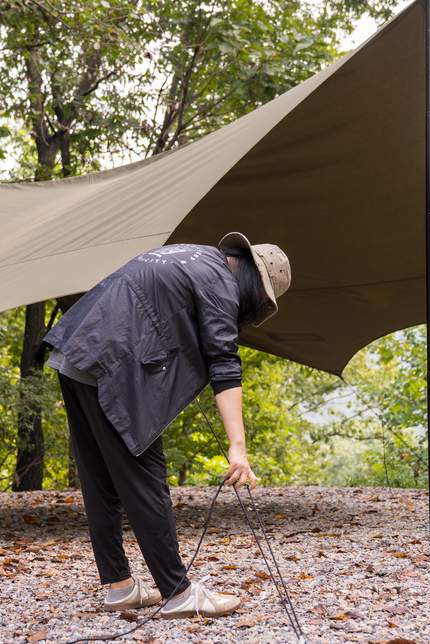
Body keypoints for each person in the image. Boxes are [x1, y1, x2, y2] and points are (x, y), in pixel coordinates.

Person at [43, 232, 291, 619]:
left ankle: (120, 587)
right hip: (109, 364)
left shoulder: (194, 257)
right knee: (146, 477)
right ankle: (178, 593)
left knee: (100, 479)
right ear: (255, 286)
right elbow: (224, 365)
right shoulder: (220, 284)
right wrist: (237, 447)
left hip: (76, 352)